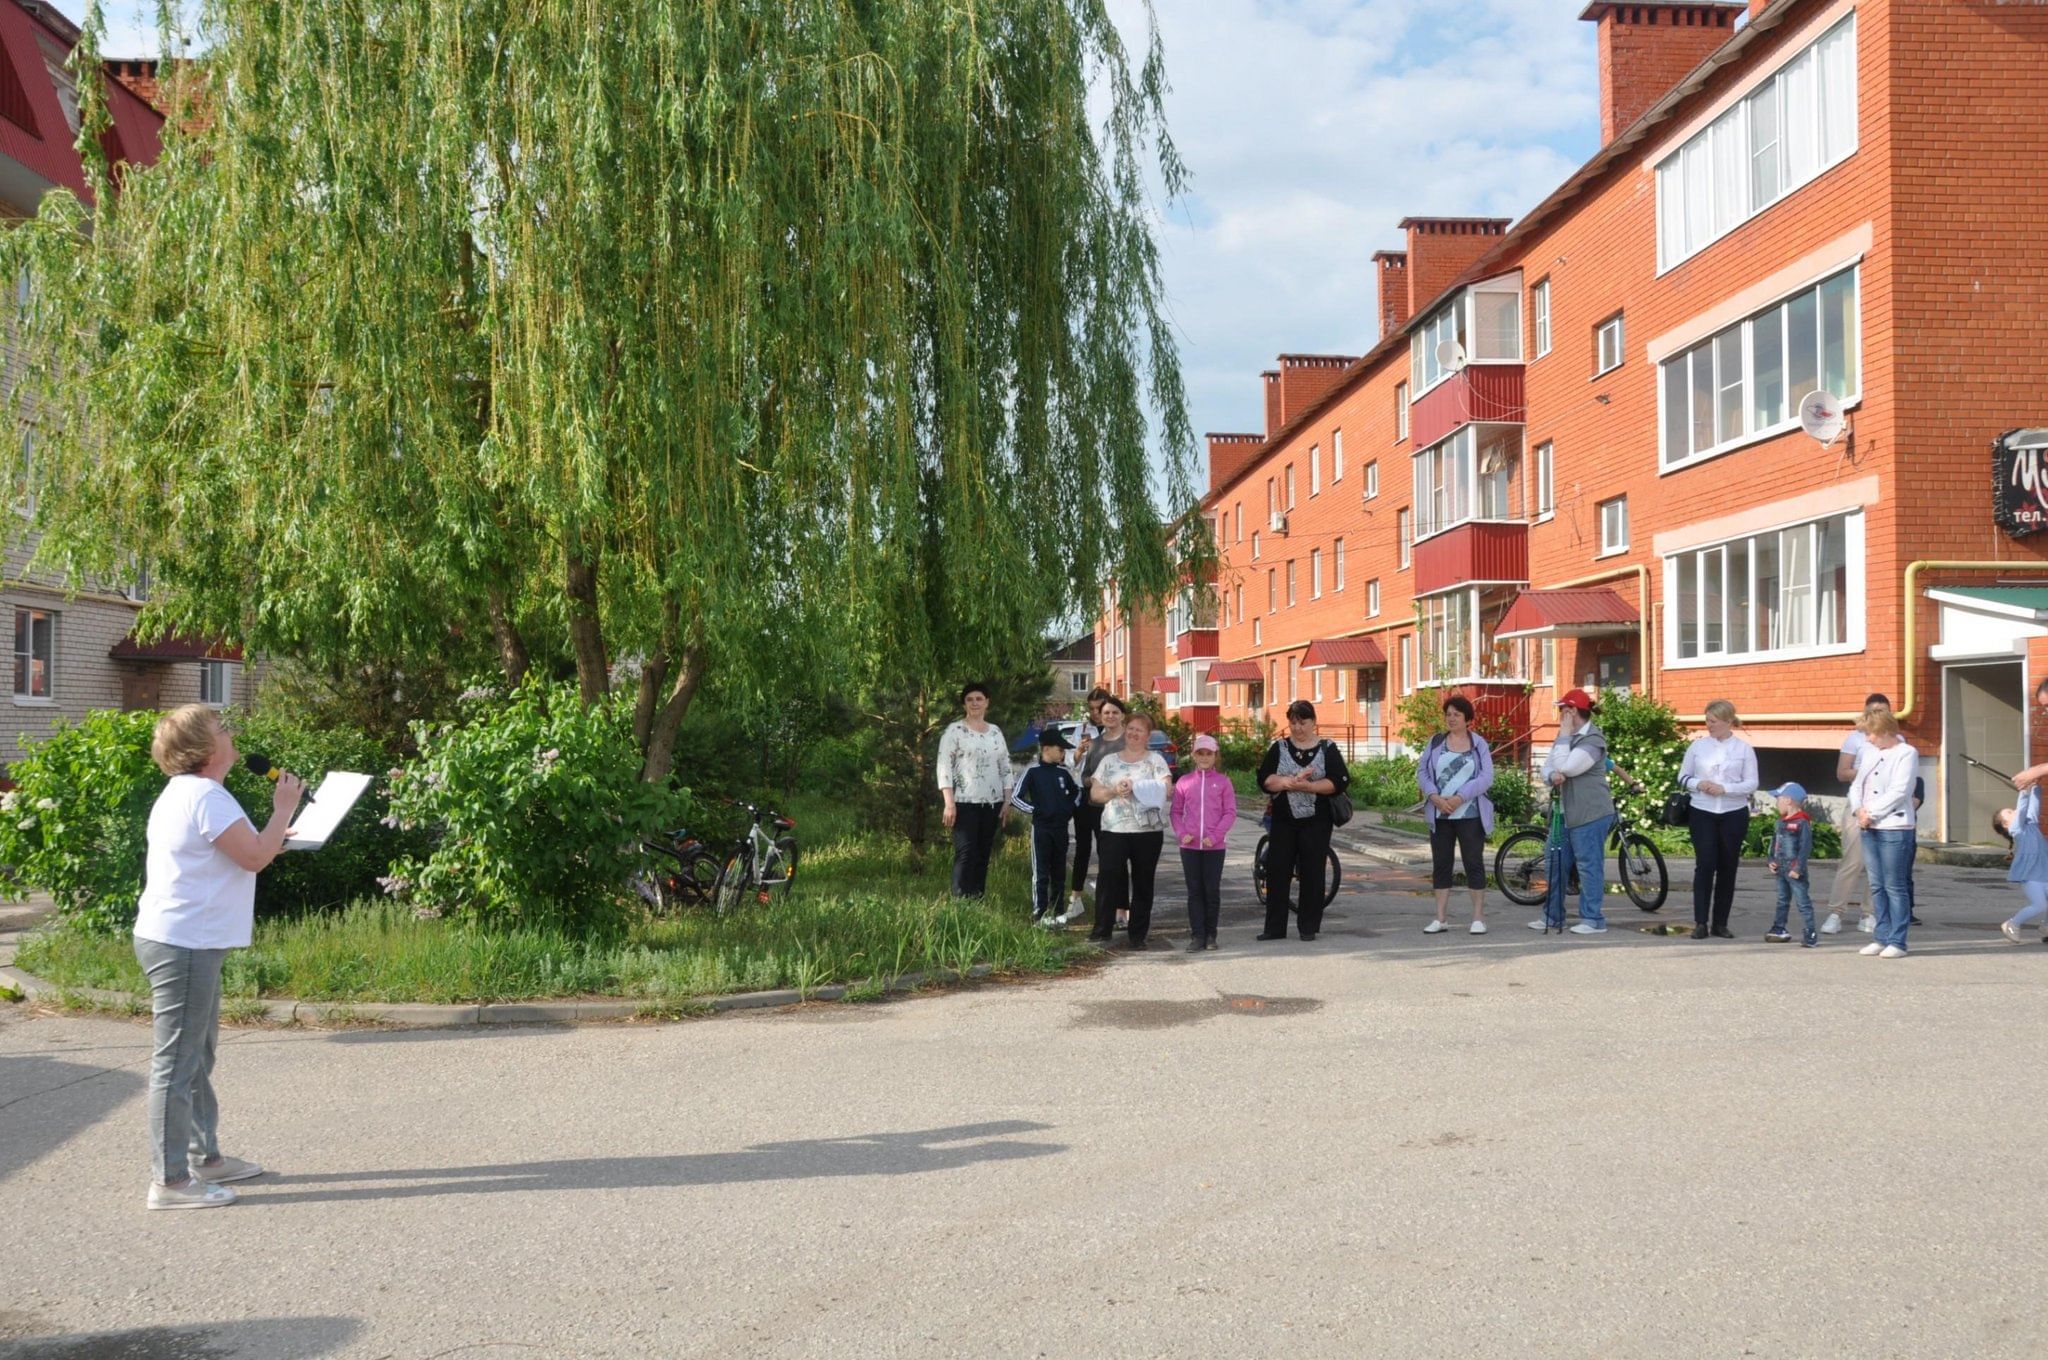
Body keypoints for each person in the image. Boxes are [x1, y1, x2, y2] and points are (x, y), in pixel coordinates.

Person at [133, 704, 305, 1210]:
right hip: (185, 944)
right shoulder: (206, 795)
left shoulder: (193, 793)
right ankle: (170, 1183)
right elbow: (252, 857)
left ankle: (204, 1158)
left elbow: (245, 850)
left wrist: (275, 837)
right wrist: (282, 810)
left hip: (187, 941)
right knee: (177, 1063)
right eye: (221, 729)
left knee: (197, 1056)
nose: (231, 734)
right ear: (205, 750)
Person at [1255, 701, 1351, 942]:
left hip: (1317, 821)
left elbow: (1339, 781)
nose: (1297, 727)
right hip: (1283, 820)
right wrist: (1286, 783)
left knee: (1312, 871)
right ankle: (1274, 928)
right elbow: (1264, 778)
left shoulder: (1327, 748)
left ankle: (1308, 927)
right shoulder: (1279, 747)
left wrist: (1311, 787)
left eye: (1303, 722)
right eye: (1293, 722)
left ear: (1313, 722)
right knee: (1278, 870)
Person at [1533, 689, 1614, 936]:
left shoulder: (1593, 740)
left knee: (1589, 866)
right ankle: (1553, 917)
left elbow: (1567, 767)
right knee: (1554, 863)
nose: (1559, 714)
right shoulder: (1564, 736)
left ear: (1572, 711)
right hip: (1565, 814)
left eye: (1562, 709)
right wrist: (1552, 774)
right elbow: (1549, 768)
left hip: (1590, 813)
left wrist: (1560, 768)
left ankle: (1593, 919)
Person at [1677, 699, 1759, 940]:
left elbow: (1752, 783)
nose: (1709, 725)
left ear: (1728, 721)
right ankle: (1700, 922)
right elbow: (1682, 776)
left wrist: (1725, 788)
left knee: (1728, 866)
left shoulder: (1744, 749)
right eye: (1707, 721)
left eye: (1713, 721)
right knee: (1705, 864)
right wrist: (1698, 783)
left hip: (1733, 812)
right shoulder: (1697, 747)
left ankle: (1720, 922)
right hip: (1702, 810)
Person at [1089, 711, 1172, 947]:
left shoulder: (1155, 761)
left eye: (1140, 730)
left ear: (1148, 735)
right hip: (1114, 829)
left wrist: (1137, 786)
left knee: (1143, 881)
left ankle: (1137, 935)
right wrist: (1115, 790)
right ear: (1125, 730)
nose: (1134, 733)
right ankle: (1102, 928)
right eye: (1131, 728)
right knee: (1108, 877)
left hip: (1147, 831)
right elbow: (1095, 793)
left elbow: (1166, 788)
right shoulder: (1109, 761)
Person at [1417, 694, 1495, 935]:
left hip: (1470, 815)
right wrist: (1434, 797)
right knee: (1442, 865)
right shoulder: (1435, 742)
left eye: (1456, 715)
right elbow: (1422, 772)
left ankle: (1478, 918)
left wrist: (1460, 797)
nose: (1451, 718)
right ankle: (1440, 918)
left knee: (1474, 863)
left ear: (1467, 719)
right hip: (1441, 816)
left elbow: (1486, 778)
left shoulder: (1478, 744)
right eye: (1448, 714)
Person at [1849, 707, 1919, 958]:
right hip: (1868, 825)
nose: (1868, 739)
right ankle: (1881, 936)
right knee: (1876, 884)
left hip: (1894, 827)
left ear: (1884, 731)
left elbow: (1900, 791)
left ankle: (1898, 941)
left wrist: (1872, 812)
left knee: (1894, 885)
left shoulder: (1906, 753)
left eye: (1871, 733)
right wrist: (1859, 810)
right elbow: (1857, 785)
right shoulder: (1869, 753)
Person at [1822, 693, 1892, 935]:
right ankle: (1836, 912)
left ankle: (1869, 913)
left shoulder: (1898, 741)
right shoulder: (1856, 739)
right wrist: (1866, 770)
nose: (1877, 715)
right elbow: (1843, 773)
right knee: (1852, 861)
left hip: (1885, 809)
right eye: (1872, 710)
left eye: (1882, 710)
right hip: (1858, 806)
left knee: (1880, 865)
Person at [936, 682, 1011, 898]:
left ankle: (977, 898)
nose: (975, 703)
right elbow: (944, 767)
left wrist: (1006, 801)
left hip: (991, 803)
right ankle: (960, 900)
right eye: (970, 699)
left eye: (979, 699)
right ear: (964, 704)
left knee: (983, 853)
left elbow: (1005, 766)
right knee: (966, 852)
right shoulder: (954, 731)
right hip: (964, 802)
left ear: (987, 702)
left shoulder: (995, 732)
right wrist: (949, 803)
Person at [1170, 733, 1238, 952]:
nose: (1205, 757)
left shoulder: (1223, 782)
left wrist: (1216, 835)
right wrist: (1182, 833)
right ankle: (1197, 935)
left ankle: (1211, 935)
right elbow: (1175, 812)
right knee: (1194, 891)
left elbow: (1230, 812)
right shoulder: (1184, 782)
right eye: (1201, 753)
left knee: (1211, 891)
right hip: (1189, 847)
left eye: (1209, 753)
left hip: (1214, 847)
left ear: (1215, 755)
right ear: (1194, 755)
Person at [1010, 728, 1083, 927]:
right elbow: (1016, 797)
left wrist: (1067, 807)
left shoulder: (1063, 773)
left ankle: (1058, 911)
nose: (1063, 754)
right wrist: (1036, 810)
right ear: (1047, 749)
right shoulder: (1032, 771)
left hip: (1061, 829)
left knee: (1059, 871)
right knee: (1041, 872)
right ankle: (1040, 913)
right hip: (1041, 829)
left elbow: (1076, 793)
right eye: (1060, 750)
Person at [1073, 693, 1128, 924]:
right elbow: (1083, 774)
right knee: (1091, 852)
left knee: (1117, 857)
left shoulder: (1129, 740)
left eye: (1111, 712)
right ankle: (1081, 900)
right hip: (1093, 803)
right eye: (1101, 712)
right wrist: (1095, 783)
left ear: (1121, 715)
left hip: (1120, 806)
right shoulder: (1091, 740)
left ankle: (1122, 909)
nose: (1104, 715)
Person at [1066, 689, 1116, 921]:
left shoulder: (1114, 732)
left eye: (1100, 708)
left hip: (1108, 797)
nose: (1096, 713)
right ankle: (1075, 899)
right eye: (1093, 709)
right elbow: (1069, 763)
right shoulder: (1081, 731)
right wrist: (1078, 753)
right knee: (1083, 849)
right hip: (1084, 797)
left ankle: (1112, 902)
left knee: (1110, 850)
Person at [1764, 782, 1817, 946]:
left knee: (1802, 902)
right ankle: (1779, 928)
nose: (1776, 803)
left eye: (1778, 799)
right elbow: (1774, 843)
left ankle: (1810, 935)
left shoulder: (1802, 823)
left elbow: (1805, 847)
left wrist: (1798, 867)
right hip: (1781, 868)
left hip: (1795, 870)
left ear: (1788, 800)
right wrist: (1771, 860)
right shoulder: (1781, 822)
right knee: (1782, 899)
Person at [1993, 787, 2048, 944]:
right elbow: (2023, 809)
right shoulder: (2016, 829)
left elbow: (2034, 806)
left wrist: (2036, 787)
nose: (2015, 811)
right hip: (2031, 876)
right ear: (2006, 824)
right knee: (2040, 905)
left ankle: (2046, 927)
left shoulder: (2031, 823)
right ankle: (2012, 923)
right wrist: (2024, 791)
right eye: (2010, 812)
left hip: (2045, 872)